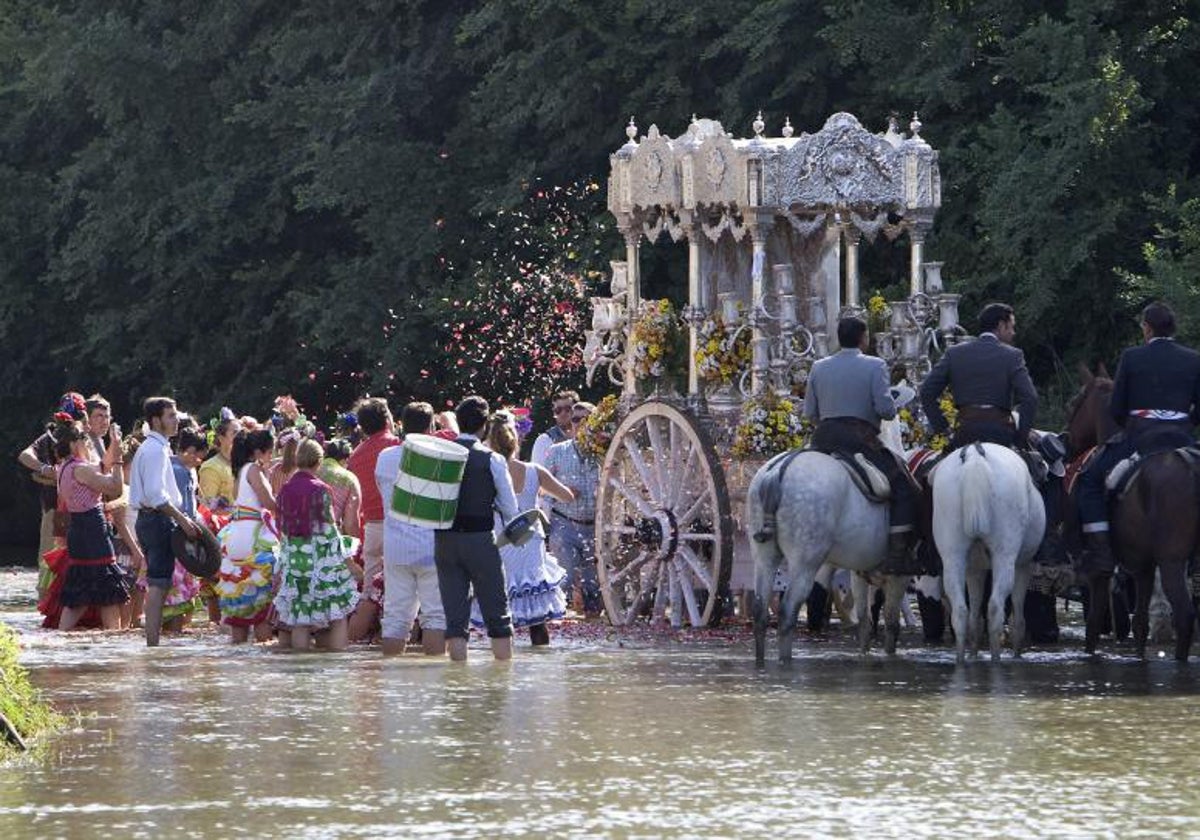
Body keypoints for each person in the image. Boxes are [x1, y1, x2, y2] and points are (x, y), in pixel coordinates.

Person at [1077, 301, 1200, 573]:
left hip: (1141, 437)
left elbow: (1117, 407)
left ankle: (1101, 552)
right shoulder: (1194, 358)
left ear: (1147, 328)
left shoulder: (1132, 357)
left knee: (1089, 481)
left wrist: (1134, 424)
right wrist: (1182, 423)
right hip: (1182, 438)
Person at [804, 315, 918, 573]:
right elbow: (886, 411)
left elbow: (809, 413)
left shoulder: (819, 367)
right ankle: (898, 555)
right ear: (863, 338)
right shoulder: (875, 365)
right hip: (859, 439)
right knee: (904, 485)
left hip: (822, 439)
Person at [434, 395, 520, 662]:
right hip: (480, 539)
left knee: (455, 620)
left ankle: (457, 684)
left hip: (445, 541)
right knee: (497, 614)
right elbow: (510, 508)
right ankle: (502, 679)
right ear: (485, 426)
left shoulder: (441, 455)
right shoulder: (492, 459)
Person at [481, 413, 575, 645]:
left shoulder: (488, 473)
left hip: (502, 541)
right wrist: (540, 494)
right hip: (530, 541)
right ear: (516, 441)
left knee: (505, 609)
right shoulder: (534, 471)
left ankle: (504, 665)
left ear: (490, 442)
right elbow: (567, 496)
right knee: (536, 615)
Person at [373, 401, 447, 656]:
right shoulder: (441, 460)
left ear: (402, 425)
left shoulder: (385, 458)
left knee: (395, 617)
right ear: (431, 428)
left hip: (396, 547)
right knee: (436, 616)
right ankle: (436, 676)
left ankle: (393, 682)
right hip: (431, 546)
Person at [41, 417, 130, 630]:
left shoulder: (64, 467)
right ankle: (113, 644)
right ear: (73, 444)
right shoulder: (80, 469)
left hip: (78, 531)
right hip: (93, 530)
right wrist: (118, 461)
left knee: (80, 592)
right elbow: (115, 488)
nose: (88, 442)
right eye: (84, 438)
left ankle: (62, 639)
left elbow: (101, 465)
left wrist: (114, 444)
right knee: (106, 590)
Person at [128, 397, 201, 646]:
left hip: (149, 519)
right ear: (156, 420)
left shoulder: (153, 447)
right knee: (159, 585)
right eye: (170, 416)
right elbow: (157, 496)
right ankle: (152, 646)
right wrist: (183, 520)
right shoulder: (155, 450)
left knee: (158, 582)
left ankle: (153, 644)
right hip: (157, 520)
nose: (176, 420)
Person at [274, 439, 360, 651]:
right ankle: (339, 662)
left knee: (300, 619)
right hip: (318, 560)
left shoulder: (285, 489)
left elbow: (281, 528)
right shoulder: (321, 489)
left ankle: (300, 667)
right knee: (338, 615)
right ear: (319, 462)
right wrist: (349, 562)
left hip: (295, 560)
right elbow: (329, 530)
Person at [920, 302, 1038, 449]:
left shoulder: (954, 353)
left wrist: (943, 428)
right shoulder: (1013, 355)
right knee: (1037, 467)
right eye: (1011, 327)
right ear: (1001, 325)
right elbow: (1030, 398)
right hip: (1001, 433)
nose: (1013, 333)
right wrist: (1021, 438)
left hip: (964, 432)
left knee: (931, 469)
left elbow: (926, 392)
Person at [18, 392, 88, 596]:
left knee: (71, 561)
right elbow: (25, 455)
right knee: (51, 561)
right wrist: (44, 469)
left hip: (80, 510)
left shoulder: (86, 437)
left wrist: (46, 476)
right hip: (58, 509)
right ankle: (48, 607)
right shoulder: (52, 436)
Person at [214, 428, 279, 643]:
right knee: (260, 606)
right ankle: (263, 658)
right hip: (254, 536)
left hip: (236, 535)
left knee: (241, 604)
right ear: (259, 452)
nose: (271, 457)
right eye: (270, 452)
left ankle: (239, 653)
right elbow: (269, 503)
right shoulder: (253, 469)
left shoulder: (240, 471)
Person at [543, 401, 601, 616]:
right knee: (563, 579)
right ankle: (555, 632)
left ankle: (592, 629)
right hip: (564, 523)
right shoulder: (556, 451)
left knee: (593, 587)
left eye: (586, 419)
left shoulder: (605, 454)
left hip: (595, 526)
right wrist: (561, 490)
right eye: (575, 419)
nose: (579, 423)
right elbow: (541, 488)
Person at [347, 397, 400, 588]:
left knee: (369, 590)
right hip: (397, 525)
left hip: (371, 527)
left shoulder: (355, 456)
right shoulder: (397, 445)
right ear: (387, 419)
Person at [318, 439, 362, 540]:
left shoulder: (311, 471)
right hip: (332, 537)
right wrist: (355, 544)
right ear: (345, 459)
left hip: (304, 537)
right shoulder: (349, 478)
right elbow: (350, 523)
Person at [198, 413, 240, 514]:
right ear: (221, 438)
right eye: (235, 433)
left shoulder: (245, 464)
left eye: (241, 433)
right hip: (226, 527)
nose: (240, 437)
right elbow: (208, 507)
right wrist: (239, 512)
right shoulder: (210, 467)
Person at [531, 390, 579, 466]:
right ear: (554, 413)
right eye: (558, 410)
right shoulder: (545, 440)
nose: (563, 413)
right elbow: (537, 473)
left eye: (568, 409)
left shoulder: (587, 438)